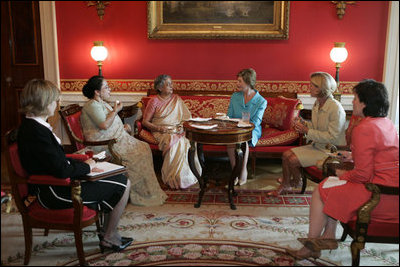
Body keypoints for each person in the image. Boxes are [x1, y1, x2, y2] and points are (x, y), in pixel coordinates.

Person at [286, 79, 399, 259]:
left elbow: (362, 175)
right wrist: (354, 157)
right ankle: (328, 235)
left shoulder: (364, 128)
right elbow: (381, 154)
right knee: (330, 184)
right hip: (391, 190)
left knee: (322, 188)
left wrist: (343, 173)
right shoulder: (386, 123)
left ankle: (311, 244)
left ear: (365, 103)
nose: (352, 102)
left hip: (378, 195)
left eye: (355, 98)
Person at [17, 79, 132, 253]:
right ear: (43, 102)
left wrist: (85, 164)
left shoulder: (33, 126)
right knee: (123, 183)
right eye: (55, 100)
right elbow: (60, 169)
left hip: (58, 183)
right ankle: (109, 237)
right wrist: (87, 166)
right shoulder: (35, 132)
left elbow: (56, 161)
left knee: (116, 178)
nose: (57, 104)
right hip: (55, 192)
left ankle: (107, 233)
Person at [80, 76, 167, 206]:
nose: (109, 89)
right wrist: (115, 110)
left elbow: (110, 123)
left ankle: (143, 191)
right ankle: (133, 193)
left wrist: (122, 128)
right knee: (137, 154)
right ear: (97, 92)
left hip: (113, 140)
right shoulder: (92, 105)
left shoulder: (101, 103)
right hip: (102, 145)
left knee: (144, 147)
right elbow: (104, 125)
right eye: (106, 87)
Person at [268, 72, 346, 196]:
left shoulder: (336, 108)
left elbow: (333, 137)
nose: (309, 87)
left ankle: (287, 184)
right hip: (317, 145)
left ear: (323, 88)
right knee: (285, 155)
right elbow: (316, 128)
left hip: (329, 151)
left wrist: (307, 131)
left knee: (292, 160)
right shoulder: (318, 103)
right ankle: (292, 182)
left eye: (314, 85)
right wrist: (304, 124)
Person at [142, 74, 200, 189]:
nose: (171, 86)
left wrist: (181, 127)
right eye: (168, 84)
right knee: (174, 142)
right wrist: (159, 129)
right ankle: (174, 177)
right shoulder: (154, 101)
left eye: (171, 83)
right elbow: (145, 122)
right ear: (159, 88)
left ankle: (186, 175)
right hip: (161, 131)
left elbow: (186, 118)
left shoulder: (176, 99)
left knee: (187, 140)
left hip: (177, 129)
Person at [227, 68, 267, 186]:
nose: (237, 83)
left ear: (248, 82)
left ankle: (243, 170)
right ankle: (235, 170)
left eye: (240, 81)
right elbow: (229, 116)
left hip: (251, 129)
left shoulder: (261, 101)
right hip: (235, 127)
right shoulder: (235, 96)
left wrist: (244, 126)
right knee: (230, 141)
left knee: (243, 140)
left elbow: (256, 121)